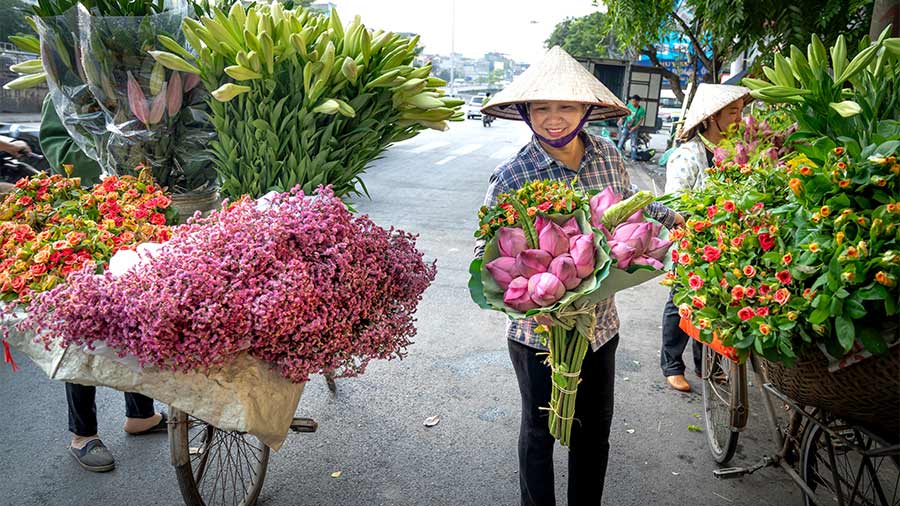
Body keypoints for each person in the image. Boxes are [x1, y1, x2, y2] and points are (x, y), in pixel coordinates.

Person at [479, 46, 684, 506]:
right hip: (537, 334)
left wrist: (676, 220)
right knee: (539, 430)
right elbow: (487, 253)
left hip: (600, 327)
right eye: (542, 108)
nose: (554, 118)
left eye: (566, 106)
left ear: (587, 110)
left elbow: (630, 204)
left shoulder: (608, 155)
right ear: (526, 112)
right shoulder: (512, 175)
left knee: (594, 433)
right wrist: (538, 306)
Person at [39, 96, 168, 472]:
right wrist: (111, 156)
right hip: (87, 217)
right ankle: (82, 434)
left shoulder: (130, 83)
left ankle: (141, 414)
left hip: (136, 210)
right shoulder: (66, 91)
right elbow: (54, 144)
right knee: (86, 321)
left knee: (137, 309)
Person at [660, 83, 749, 392]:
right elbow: (675, 203)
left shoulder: (736, 153)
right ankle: (672, 365)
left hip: (724, 241)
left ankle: (706, 366)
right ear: (712, 117)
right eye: (733, 112)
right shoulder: (687, 155)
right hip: (689, 240)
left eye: (740, 111)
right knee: (681, 301)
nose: (739, 118)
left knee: (713, 304)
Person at [616, 94, 645, 161]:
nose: (633, 103)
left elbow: (640, 121)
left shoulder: (641, 110)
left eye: (634, 101)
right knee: (621, 142)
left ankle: (633, 158)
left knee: (633, 144)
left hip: (634, 128)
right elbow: (625, 113)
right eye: (632, 101)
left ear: (638, 102)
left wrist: (634, 128)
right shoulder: (629, 105)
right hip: (627, 126)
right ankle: (618, 157)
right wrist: (621, 119)